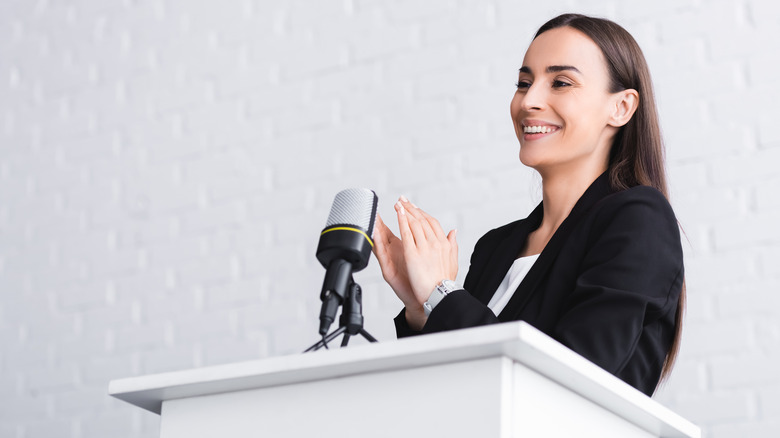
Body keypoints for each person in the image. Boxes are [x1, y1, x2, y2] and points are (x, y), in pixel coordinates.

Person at [372, 13, 685, 397]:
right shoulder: (495, 247)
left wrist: (441, 292)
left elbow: (569, 380)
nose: (529, 101)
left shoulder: (638, 219)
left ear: (620, 108)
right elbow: (449, 393)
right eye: (524, 83)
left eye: (561, 83)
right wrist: (422, 308)